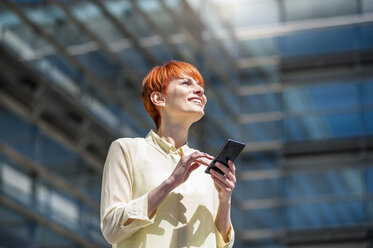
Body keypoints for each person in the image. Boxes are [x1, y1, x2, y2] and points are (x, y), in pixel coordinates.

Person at [100, 61, 236, 248]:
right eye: (186, 83)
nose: (200, 91)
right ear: (159, 98)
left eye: (200, 86)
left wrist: (225, 199)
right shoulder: (127, 150)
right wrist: (171, 182)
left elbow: (223, 244)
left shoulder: (205, 165)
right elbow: (111, 229)